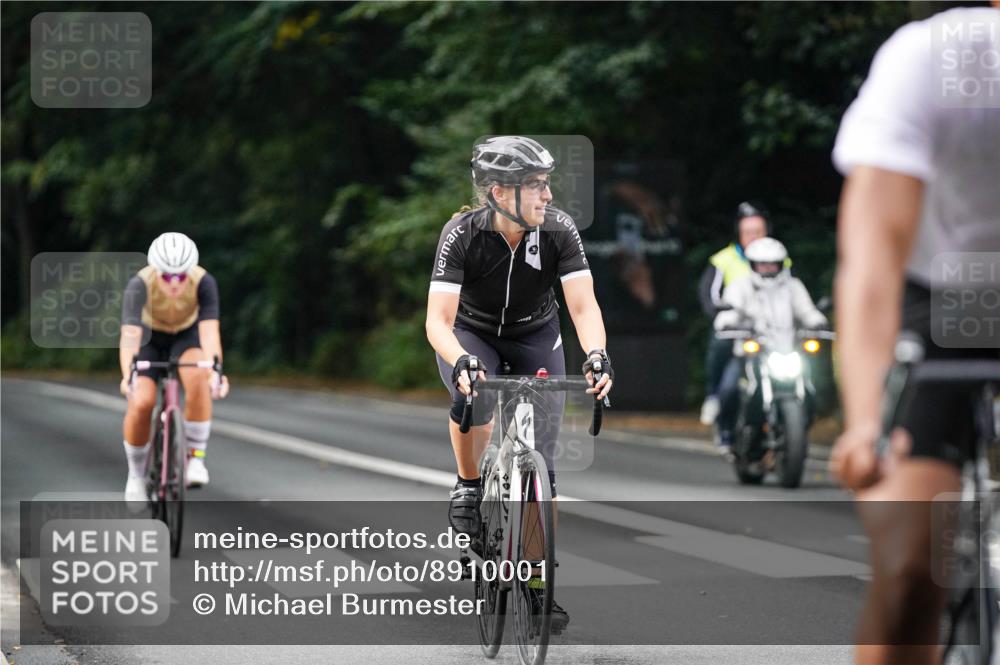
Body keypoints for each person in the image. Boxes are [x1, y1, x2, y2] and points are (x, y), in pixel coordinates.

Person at [829, 5, 1000, 663]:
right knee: (910, 567)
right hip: (940, 301)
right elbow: (873, 259)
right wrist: (866, 423)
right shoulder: (931, 58)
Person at [425, 136, 614, 632]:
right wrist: (461, 360)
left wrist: (596, 354)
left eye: (547, 183)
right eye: (535, 185)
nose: (547, 195)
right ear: (499, 193)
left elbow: (583, 307)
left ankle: (536, 582)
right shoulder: (462, 234)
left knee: (542, 471)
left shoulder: (558, 230)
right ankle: (469, 486)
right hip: (473, 334)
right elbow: (437, 321)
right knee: (475, 396)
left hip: (536, 334)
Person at [119, 232, 230, 501]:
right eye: (167, 277)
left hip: (185, 334)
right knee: (142, 401)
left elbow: (209, 332)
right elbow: (130, 335)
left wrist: (216, 372)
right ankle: (136, 475)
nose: (175, 284)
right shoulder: (139, 284)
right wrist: (128, 375)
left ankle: (196, 458)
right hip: (149, 337)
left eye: (181, 276)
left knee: (199, 376)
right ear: (156, 272)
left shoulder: (204, 282)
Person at [713, 238, 827, 455]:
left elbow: (807, 310)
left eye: (772, 264)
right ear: (753, 264)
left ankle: (797, 431)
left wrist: (817, 322)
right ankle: (727, 432)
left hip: (787, 351)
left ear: (781, 264)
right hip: (750, 354)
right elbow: (730, 311)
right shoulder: (741, 286)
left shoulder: (793, 286)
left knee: (812, 390)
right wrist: (726, 322)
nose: (767, 268)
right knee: (728, 389)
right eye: (762, 264)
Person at [698, 202, 771, 425]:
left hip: (772, 331)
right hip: (736, 330)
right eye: (748, 232)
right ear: (739, 233)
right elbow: (709, 294)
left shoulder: (779, 260)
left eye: (758, 232)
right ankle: (712, 395)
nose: (753, 237)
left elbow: (794, 292)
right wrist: (721, 316)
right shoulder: (723, 259)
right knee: (720, 343)